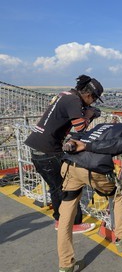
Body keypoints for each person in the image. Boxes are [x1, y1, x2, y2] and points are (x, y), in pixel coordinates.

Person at [57, 121, 122, 272]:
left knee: (66, 215)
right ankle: (121, 238)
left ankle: (65, 264)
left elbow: (83, 137)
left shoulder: (108, 125)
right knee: (117, 194)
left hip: (70, 164)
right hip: (93, 169)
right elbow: (120, 144)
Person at [24, 74, 104, 233]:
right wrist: (89, 115)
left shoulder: (65, 95)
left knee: (56, 186)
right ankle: (71, 224)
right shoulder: (74, 101)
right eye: (94, 99)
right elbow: (80, 128)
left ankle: (60, 221)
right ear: (88, 95)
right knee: (67, 186)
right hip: (47, 150)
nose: (93, 102)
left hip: (39, 147)